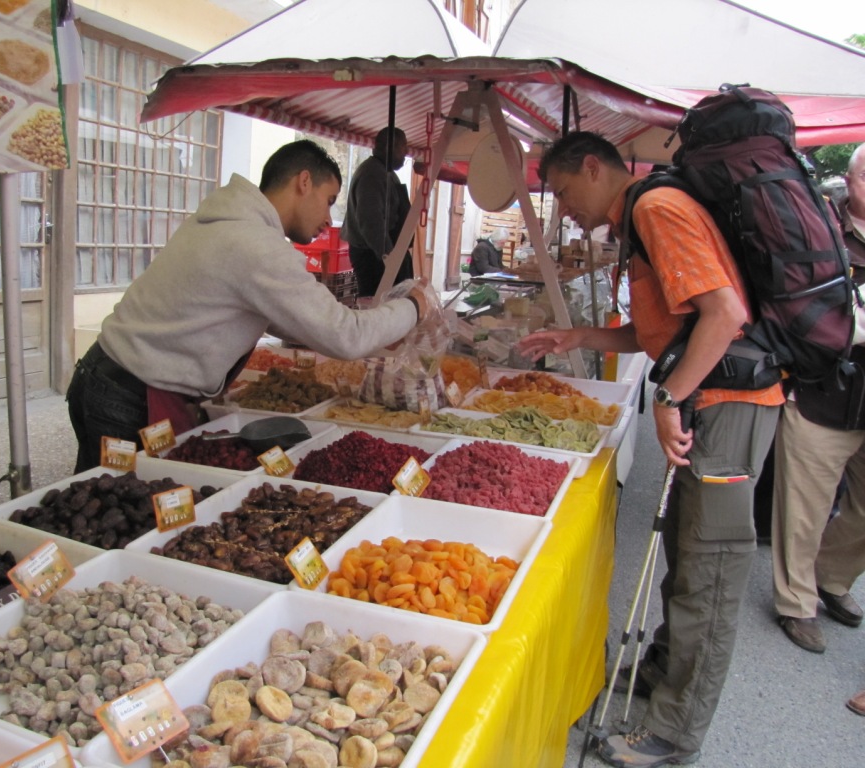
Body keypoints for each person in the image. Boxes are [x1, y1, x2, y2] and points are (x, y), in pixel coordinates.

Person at [518, 132, 783, 768]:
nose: (563, 209)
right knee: (685, 553)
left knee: (710, 571)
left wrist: (667, 402)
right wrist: (579, 334)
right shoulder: (640, 219)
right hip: (710, 402)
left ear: (592, 167)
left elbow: (724, 315)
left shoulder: (655, 210)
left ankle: (674, 731)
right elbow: (664, 328)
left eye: (562, 192)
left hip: (727, 407)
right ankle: (662, 673)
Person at [67, 139, 432, 473]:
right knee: (123, 514)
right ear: (304, 182)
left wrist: (367, 329)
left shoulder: (226, 222)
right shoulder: (257, 244)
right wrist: (415, 306)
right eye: (329, 200)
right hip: (129, 396)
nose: (328, 219)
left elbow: (296, 321)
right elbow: (344, 337)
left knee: (95, 513)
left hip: (104, 376)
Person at [771, 143, 865, 658]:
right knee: (802, 510)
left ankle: (831, 574)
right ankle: (797, 601)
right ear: (849, 181)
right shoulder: (820, 228)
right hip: (824, 392)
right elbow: (791, 301)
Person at [340, 127, 414, 296]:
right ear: (390, 147)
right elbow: (370, 222)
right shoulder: (372, 174)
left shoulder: (386, 173)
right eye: (403, 147)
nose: (406, 152)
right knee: (378, 305)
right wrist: (390, 258)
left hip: (383, 253)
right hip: (372, 256)